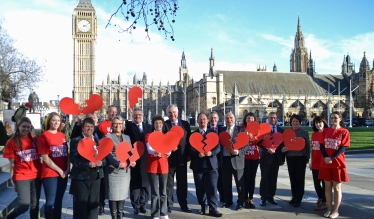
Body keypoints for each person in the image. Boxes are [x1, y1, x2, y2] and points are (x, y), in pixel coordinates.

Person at [3, 117, 41, 219]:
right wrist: (12, 180)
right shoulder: (11, 142)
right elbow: (11, 164)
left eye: (28, 127)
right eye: (23, 127)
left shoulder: (34, 139)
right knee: (24, 205)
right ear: (18, 127)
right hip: (22, 177)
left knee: (35, 205)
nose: (26, 129)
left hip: (36, 176)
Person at [70, 117, 106, 219]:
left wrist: (101, 162)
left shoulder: (98, 141)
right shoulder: (76, 141)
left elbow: (104, 158)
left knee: (93, 205)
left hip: (96, 177)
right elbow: (73, 158)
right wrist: (87, 164)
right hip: (81, 178)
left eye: (91, 126)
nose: (89, 129)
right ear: (82, 128)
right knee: (80, 206)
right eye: (87, 127)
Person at [189, 113, 222, 217]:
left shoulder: (213, 133)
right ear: (197, 121)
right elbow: (189, 149)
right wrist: (197, 153)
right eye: (200, 119)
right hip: (198, 166)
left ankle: (213, 209)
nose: (202, 121)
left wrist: (211, 153)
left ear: (207, 121)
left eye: (204, 119)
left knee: (212, 188)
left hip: (211, 166)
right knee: (200, 189)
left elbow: (218, 147)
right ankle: (203, 207)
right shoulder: (192, 134)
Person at [38, 112, 69, 219]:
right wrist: (60, 170)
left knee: (59, 201)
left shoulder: (62, 135)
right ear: (49, 121)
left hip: (63, 174)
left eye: (58, 120)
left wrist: (68, 169)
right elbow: (45, 158)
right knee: (50, 201)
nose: (56, 122)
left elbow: (66, 153)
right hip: (50, 173)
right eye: (54, 120)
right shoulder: (44, 136)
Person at [319, 111, 350, 219]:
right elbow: (321, 145)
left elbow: (343, 147)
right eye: (331, 118)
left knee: (336, 188)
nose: (333, 120)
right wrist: (326, 158)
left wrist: (332, 158)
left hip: (337, 163)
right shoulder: (325, 131)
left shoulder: (344, 131)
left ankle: (336, 210)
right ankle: (329, 209)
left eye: (335, 118)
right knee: (327, 187)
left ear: (340, 119)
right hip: (326, 163)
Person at [105, 116, 135, 219]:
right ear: (112, 126)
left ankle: (120, 216)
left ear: (123, 125)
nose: (118, 126)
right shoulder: (108, 137)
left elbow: (130, 152)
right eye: (115, 124)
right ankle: (114, 216)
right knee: (113, 196)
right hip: (113, 171)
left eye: (120, 123)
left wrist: (132, 161)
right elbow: (107, 154)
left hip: (125, 172)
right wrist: (116, 163)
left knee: (122, 196)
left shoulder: (127, 137)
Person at [164, 104, 191, 213]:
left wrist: (189, 155)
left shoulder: (185, 124)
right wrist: (169, 147)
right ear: (167, 114)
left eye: (174, 112)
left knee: (182, 184)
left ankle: (183, 204)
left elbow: (189, 141)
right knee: (168, 185)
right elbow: (162, 141)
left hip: (182, 160)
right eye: (170, 113)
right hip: (169, 160)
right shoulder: (165, 125)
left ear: (178, 113)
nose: (172, 114)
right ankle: (169, 205)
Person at [218, 112, 248, 210]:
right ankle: (228, 201)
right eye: (227, 118)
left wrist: (238, 151)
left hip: (237, 160)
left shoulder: (241, 130)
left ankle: (240, 202)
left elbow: (246, 145)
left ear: (234, 118)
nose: (229, 120)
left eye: (231, 118)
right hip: (225, 160)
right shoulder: (221, 130)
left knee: (240, 184)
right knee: (226, 183)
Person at [124, 107, 151, 214]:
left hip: (145, 159)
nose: (137, 117)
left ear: (143, 116)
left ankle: (143, 204)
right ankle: (136, 205)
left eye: (139, 114)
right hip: (134, 159)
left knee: (145, 183)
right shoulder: (129, 127)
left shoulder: (148, 127)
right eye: (135, 115)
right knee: (135, 184)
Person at [281, 114, 310, 207]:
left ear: (299, 122)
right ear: (291, 123)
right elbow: (283, 144)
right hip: (290, 157)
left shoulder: (304, 132)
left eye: (297, 121)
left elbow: (308, 146)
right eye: (293, 121)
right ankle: (294, 196)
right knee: (292, 178)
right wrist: (283, 149)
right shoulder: (287, 132)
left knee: (300, 178)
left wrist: (307, 157)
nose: (295, 123)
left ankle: (299, 197)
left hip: (301, 157)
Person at [145, 115, 171, 219]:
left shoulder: (165, 136)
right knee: (155, 192)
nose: (158, 125)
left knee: (163, 192)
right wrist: (155, 152)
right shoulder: (149, 135)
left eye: (160, 123)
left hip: (163, 166)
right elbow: (148, 149)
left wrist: (169, 152)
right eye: (156, 123)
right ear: (153, 125)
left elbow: (168, 149)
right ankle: (155, 213)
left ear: (163, 125)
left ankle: (164, 213)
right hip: (153, 166)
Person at [258, 112, 284, 206]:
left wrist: (282, 159)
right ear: (268, 119)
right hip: (265, 157)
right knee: (265, 178)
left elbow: (282, 145)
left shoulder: (281, 130)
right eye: (271, 118)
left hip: (276, 158)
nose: (273, 119)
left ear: (277, 119)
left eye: (274, 118)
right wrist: (266, 150)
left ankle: (271, 197)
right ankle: (263, 198)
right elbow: (259, 142)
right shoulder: (264, 130)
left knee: (273, 179)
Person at [241, 112, 260, 209]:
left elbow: (260, 142)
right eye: (248, 118)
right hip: (245, 157)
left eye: (251, 118)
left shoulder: (257, 129)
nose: (249, 120)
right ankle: (245, 199)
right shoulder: (242, 129)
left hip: (255, 157)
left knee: (252, 178)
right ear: (245, 119)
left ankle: (251, 198)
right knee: (245, 179)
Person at [310, 116, 328, 211]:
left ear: (324, 122)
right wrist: (311, 161)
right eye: (316, 123)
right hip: (315, 161)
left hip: (324, 161)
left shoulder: (327, 133)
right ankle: (321, 198)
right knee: (316, 183)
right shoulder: (314, 134)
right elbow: (313, 149)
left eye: (320, 122)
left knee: (325, 183)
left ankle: (324, 201)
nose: (318, 124)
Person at [208, 111, 224, 202]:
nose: (213, 119)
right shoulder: (206, 130)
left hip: (221, 158)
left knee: (221, 179)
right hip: (210, 158)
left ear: (218, 119)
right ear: (208, 119)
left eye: (215, 118)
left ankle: (223, 197)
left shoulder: (222, 129)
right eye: (211, 118)